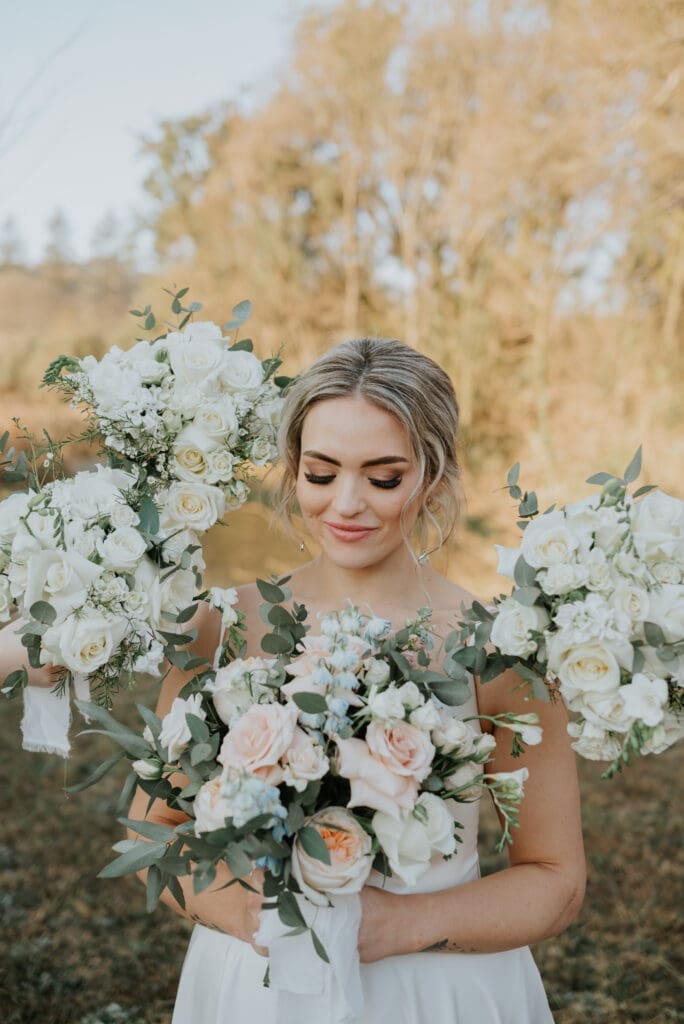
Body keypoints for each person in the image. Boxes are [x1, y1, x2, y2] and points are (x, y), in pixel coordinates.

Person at [9, 338, 586, 1022]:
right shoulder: (221, 626)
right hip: (258, 987)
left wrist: (392, 926)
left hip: (433, 990)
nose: (347, 504)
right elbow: (154, 826)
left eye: (383, 477)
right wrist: (249, 913)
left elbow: (556, 880)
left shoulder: (499, 649)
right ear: (293, 470)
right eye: (320, 474)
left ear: (433, 475)